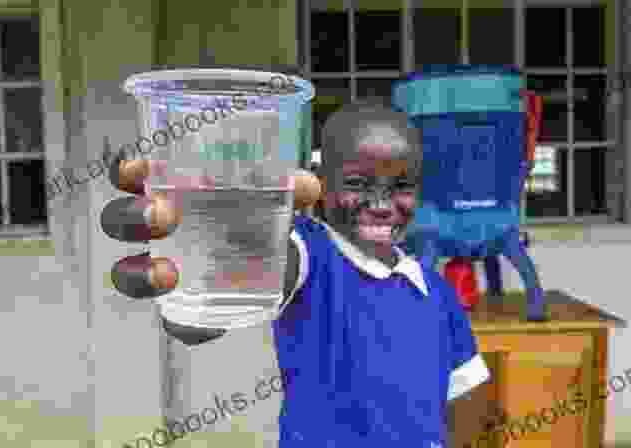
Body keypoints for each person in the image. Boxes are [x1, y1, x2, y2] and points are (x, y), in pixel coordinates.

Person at [103, 98, 490, 447]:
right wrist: (201, 256)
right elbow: (241, 282)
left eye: (401, 187)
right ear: (321, 180)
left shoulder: (434, 291)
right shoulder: (311, 251)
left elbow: (466, 395)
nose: (382, 204)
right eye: (358, 184)